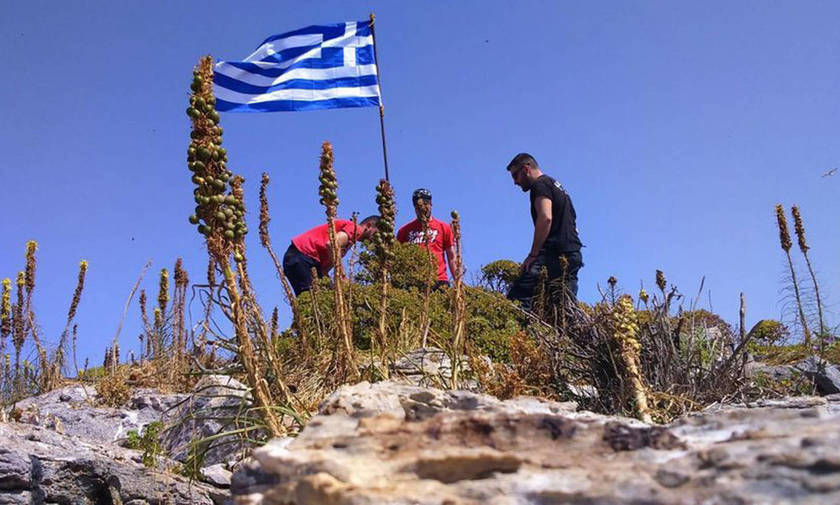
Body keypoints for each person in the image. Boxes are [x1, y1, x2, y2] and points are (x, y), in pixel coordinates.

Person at [505, 153, 583, 308]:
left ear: (526, 169)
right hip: (573, 254)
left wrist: (533, 255)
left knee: (519, 299)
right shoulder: (557, 186)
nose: (515, 182)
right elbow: (574, 225)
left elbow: (545, 217)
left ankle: (518, 325)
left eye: (515, 175)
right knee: (562, 307)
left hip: (554, 254)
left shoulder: (540, 185)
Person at [283, 215, 379, 295]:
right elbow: (332, 244)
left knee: (322, 299)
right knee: (312, 300)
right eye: (375, 234)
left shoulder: (347, 243)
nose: (374, 240)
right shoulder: (355, 229)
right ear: (368, 225)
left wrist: (333, 288)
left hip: (305, 260)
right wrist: (342, 276)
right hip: (302, 255)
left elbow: (324, 271)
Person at [397, 188, 458, 290]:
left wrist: (458, 281)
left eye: (425, 204)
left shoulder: (444, 227)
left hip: (439, 280)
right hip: (414, 282)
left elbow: (451, 257)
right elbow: (398, 258)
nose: (422, 208)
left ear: (431, 204)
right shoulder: (404, 231)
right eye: (418, 206)